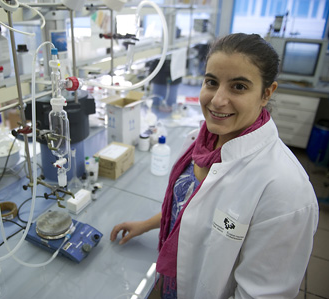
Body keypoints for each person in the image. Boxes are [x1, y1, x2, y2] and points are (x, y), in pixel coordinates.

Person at [110, 33, 319, 299]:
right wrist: (148, 224)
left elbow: (260, 295)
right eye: (211, 82)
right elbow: (191, 208)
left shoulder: (286, 191)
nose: (218, 100)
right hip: (171, 284)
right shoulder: (201, 142)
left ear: (267, 93)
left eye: (239, 87)